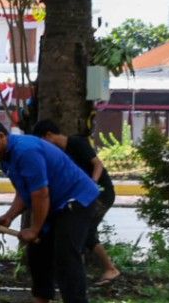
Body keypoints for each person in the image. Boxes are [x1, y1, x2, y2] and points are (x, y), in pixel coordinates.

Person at [0, 116, 101, 303]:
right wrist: (9, 216)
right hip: (56, 202)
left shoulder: (26, 151)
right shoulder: (6, 157)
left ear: (2, 136)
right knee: (38, 250)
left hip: (76, 200)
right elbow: (25, 192)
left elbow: (41, 194)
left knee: (66, 254)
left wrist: (35, 229)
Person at [32, 119, 122, 285]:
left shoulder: (76, 143)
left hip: (100, 193)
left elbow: (98, 165)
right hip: (82, 195)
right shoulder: (61, 153)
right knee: (74, 231)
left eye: (42, 142)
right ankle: (74, 274)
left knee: (85, 232)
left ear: (49, 135)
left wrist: (92, 184)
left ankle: (110, 269)